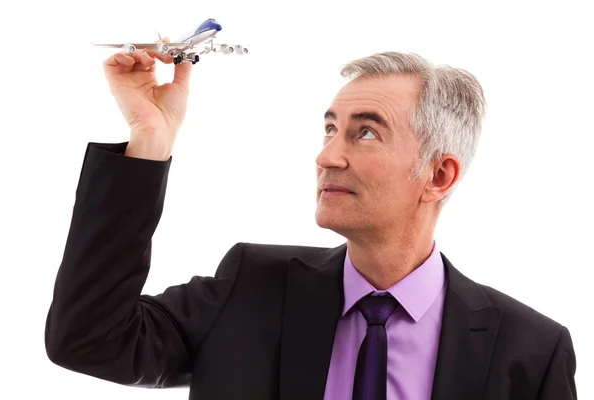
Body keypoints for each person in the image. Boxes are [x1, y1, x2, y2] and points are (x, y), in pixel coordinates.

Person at [44, 38, 578, 400]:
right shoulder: (248, 288)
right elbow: (87, 339)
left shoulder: (529, 352)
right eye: (330, 129)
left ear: (438, 175)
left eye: (364, 132)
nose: (327, 156)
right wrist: (149, 140)